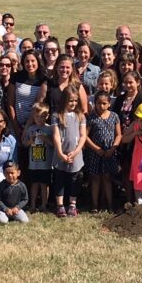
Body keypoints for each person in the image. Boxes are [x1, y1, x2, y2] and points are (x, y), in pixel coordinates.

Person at [51, 86, 87, 217]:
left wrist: (76, 151)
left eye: (75, 101)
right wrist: (60, 153)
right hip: (61, 153)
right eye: (70, 100)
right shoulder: (57, 115)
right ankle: (60, 205)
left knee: (74, 180)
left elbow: (83, 136)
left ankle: (72, 204)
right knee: (59, 179)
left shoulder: (80, 116)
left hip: (75, 154)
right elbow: (56, 135)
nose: (73, 103)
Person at [84, 90, 121, 211]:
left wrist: (113, 148)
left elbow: (119, 135)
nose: (101, 106)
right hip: (95, 153)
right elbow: (85, 136)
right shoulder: (92, 117)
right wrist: (96, 148)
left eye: (104, 103)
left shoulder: (114, 116)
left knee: (107, 178)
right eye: (98, 103)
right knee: (95, 179)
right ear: (94, 103)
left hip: (110, 152)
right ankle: (95, 205)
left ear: (109, 104)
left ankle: (109, 204)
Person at [21, 103, 53, 212]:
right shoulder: (30, 129)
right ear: (33, 116)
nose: (39, 119)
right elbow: (24, 144)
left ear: (47, 116)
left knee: (44, 185)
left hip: (46, 164)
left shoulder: (50, 129)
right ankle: (33, 205)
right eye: (37, 116)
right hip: (33, 163)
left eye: (42, 116)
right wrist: (31, 140)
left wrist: (46, 139)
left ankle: (44, 204)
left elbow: (55, 144)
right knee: (34, 184)